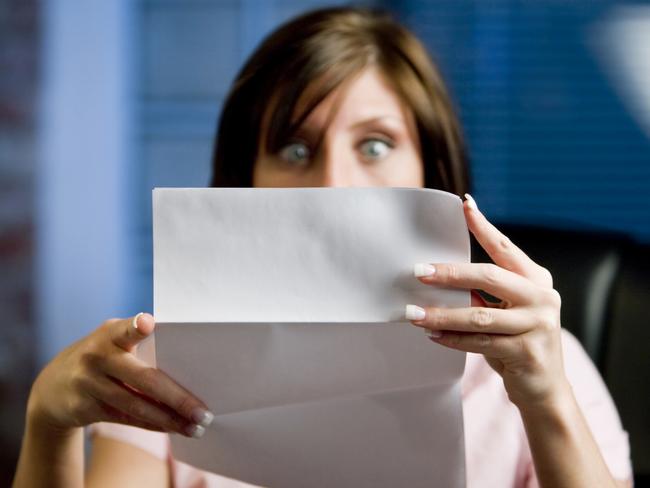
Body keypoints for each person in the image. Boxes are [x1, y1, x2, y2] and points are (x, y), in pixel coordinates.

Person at [13, 7, 632, 488]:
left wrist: (546, 394)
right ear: (244, 182)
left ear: (433, 171)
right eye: (295, 148)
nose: (335, 181)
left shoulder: (545, 365)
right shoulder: (166, 365)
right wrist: (49, 421)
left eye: (375, 144)